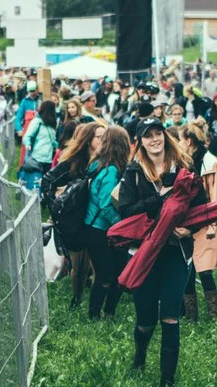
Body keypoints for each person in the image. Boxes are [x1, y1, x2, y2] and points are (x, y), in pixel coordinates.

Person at [117, 117, 207, 386]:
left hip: (175, 253)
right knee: (146, 319)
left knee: (170, 316)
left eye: (158, 133)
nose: (154, 139)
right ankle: (140, 356)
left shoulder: (184, 168)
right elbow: (126, 211)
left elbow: (201, 207)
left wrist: (189, 229)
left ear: (165, 137)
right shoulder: (134, 172)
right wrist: (160, 196)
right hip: (143, 253)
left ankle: (167, 380)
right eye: (148, 136)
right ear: (140, 142)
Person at [41, 122, 105, 308]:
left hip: (98, 219)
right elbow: (48, 181)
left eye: (105, 137)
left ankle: (96, 304)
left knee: (98, 265)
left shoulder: (107, 163)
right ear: (88, 140)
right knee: (79, 267)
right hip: (76, 221)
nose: (103, 141)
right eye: (99, 137)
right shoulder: (75, 162)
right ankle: (76, 301)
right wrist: (57, 208)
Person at [178, 117, 217, 322]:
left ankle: (214, 315)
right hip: (187, 223)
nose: (179, 143)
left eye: (180, 140)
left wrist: (214, 225)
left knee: (205, 271)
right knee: (187, 270)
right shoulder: (183, 162)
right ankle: (191, 316)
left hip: (207, 223)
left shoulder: (211, 163)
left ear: (189, 141)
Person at [84, 126, 131, 320]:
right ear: (121, 145)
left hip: (99, 228)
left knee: (115, 275)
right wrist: (122, 226)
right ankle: (96, 315)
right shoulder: (110, 171)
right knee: (106, 277)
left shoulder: (100, 165)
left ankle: (106, 313)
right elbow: (105, 205)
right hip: (100, 230)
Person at [22, 100, 59, 177]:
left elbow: (52, 141)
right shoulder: (37, 122)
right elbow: (27, 136)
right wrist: (28, 144)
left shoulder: (51, 125)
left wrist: (58, 147)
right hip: (37, 158)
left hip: (48, 159)